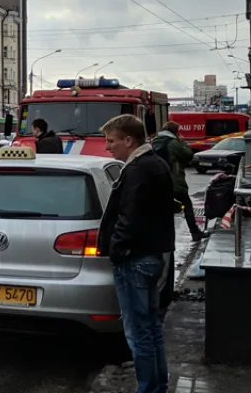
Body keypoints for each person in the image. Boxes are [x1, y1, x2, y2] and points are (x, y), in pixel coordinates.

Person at [98, 114, 174, 393]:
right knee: (151, 328)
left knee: (138, 333)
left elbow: (129, 218)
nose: (108, 147)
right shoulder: (157, 164)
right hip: (152, 255)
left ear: (128, 140)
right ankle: (158, 385)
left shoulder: (137, 169)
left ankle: (149, 389)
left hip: (135, 260)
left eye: (111, 141)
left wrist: (117, 250)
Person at [152, 121, 205, 242]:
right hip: (174, 181)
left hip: (159, 181)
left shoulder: (155, 141)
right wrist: (183, 142)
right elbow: (188, 155)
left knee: (162, 209)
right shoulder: (173, 143)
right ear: (175, 131)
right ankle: (195, 233)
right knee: (187, 205)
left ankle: (160, 237)